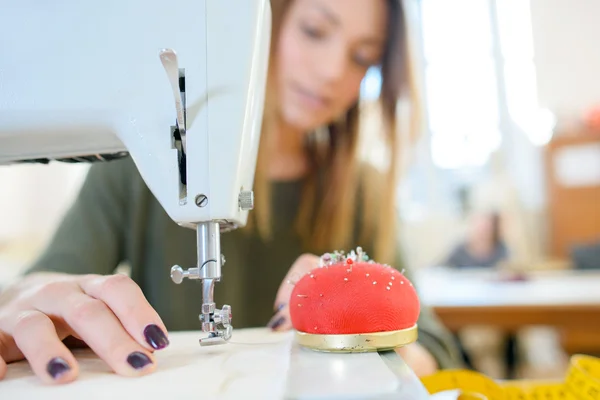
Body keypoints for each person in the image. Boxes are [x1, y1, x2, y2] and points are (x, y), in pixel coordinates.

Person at [0, 0, 462, 384]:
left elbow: (436, 349)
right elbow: (44, 281)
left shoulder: (362, 190)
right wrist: (34, 299)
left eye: (362, 56)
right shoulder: (140, 166)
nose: (332, 71)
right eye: (315, 31)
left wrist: (365, 326)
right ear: (265, 23)